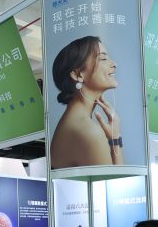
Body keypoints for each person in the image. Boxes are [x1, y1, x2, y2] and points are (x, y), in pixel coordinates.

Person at [50, 36, 123, 169]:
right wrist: (115, 139)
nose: (114, 64)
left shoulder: (73, 122)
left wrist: (114, 137)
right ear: (78, 74)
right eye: (103, 59)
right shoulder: (88, 131)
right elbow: (117, 181)